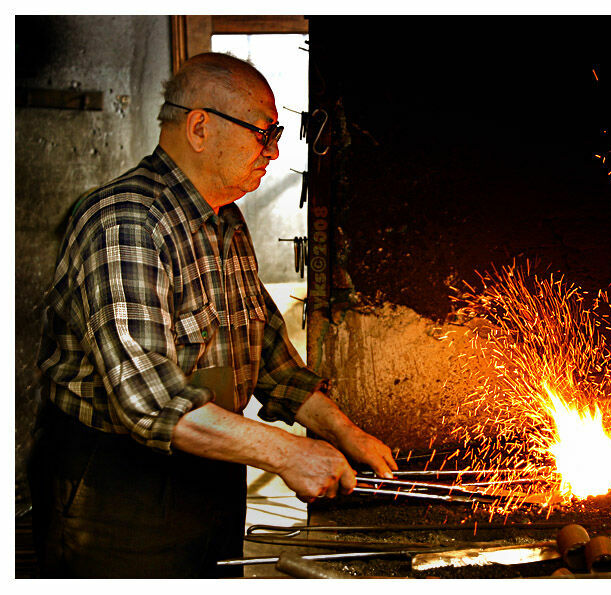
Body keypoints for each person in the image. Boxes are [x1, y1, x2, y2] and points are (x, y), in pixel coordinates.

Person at [29, 52, 397, 578]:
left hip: (212, 475)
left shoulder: (225, 219)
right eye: (263, 133)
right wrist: (288, 453)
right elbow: (148, 402)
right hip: (119, 495)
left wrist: (342, 431)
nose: (273, 151)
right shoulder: (127, 221)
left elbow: (270, 355)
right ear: (200, 127)